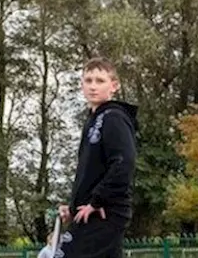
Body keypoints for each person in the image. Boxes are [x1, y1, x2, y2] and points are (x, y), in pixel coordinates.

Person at [55, 58, 138, 258]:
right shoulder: (92, 120)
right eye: (88, 80)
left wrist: (97, 201)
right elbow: (90, 172)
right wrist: (74, 206)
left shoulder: (114, 117)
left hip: (104, 213)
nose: (93, 86)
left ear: (114, 86)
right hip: (88, 213)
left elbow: (123, 162)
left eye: (100, 81)